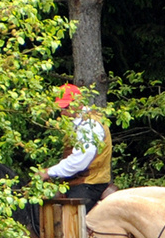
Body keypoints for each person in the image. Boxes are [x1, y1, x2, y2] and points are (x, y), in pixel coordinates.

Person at [40, 83, 113, 212]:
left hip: (91, 184)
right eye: (61, 108)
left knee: (70, 217)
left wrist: (49, 172)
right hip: (77, 183)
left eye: (66, 107)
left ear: (78, 103)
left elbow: (80, 161)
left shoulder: (90, 125)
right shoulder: (77, 123)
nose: (63, 112)